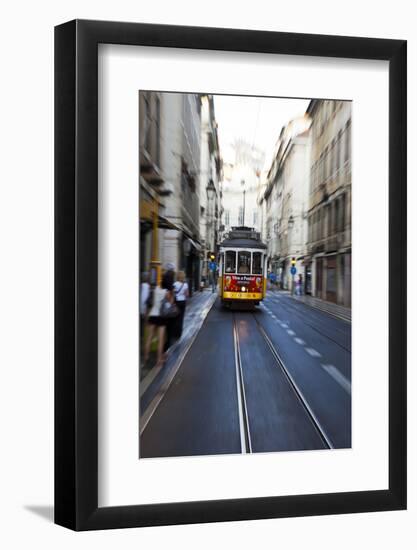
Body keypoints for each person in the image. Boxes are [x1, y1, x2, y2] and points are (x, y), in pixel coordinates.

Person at [143, 274, 174, 368]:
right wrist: (172, 295)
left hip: (153, 314)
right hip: (161, 317)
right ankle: (158, 361)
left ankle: (145, 358)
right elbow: (171, 303)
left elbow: (152, 301)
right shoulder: (166, 292)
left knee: (149, 338)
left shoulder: (156, 288)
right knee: (161, 340)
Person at [173, 270, 189, 339]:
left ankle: (174, 333)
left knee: (175, 317)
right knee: (181, 318)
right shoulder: (185, 285)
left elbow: (172, 293)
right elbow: (187, 294)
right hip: (183, 302)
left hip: (176, 302)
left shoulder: (175, 284)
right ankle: (179, 334)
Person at [140, 272, 150, 342]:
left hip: (141, 308)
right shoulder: (147, 286)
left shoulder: (140, 285)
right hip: (143, 308)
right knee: (144, 324)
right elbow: (145, 299)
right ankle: (142, 337)